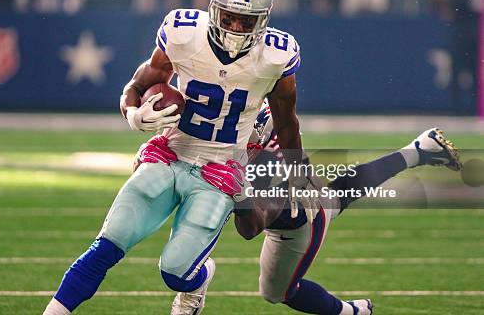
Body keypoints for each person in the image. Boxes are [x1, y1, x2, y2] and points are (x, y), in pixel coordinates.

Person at [42, 0, 303, 315]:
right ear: (213, 9)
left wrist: (294, 176)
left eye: (248, 20)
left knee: (176, 271)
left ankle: (198, 279)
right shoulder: (183, 33)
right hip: (170, 154)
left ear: (264, 20)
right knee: (106, 245)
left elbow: (286, 122)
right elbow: (135, 86)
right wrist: (133, 114)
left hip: (220, 172)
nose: (237, 27)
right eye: (229, 16)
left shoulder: (276, 57)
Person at [136, 99, 460, 314]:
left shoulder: (270, 162)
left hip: (299, 223)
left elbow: (250, 228)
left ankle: (350, 312)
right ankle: (420, 149)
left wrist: (235, 187)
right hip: (307, 189)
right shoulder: (251, 121)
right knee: (343, 192)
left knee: (277, 292)